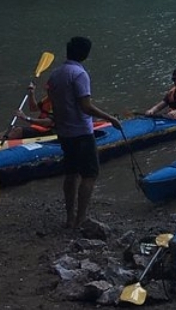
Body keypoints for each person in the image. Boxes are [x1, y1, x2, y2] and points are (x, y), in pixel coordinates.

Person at [45, 36, 122, 230]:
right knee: (90, 174)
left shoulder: (55, 74)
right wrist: (110, 118)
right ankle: (81, 219)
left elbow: (54, 105)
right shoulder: (79, 74)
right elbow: (85, 106)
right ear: (85, 54)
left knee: (71, 174)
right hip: (81, 132)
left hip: (64, 132)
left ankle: (69, 218)